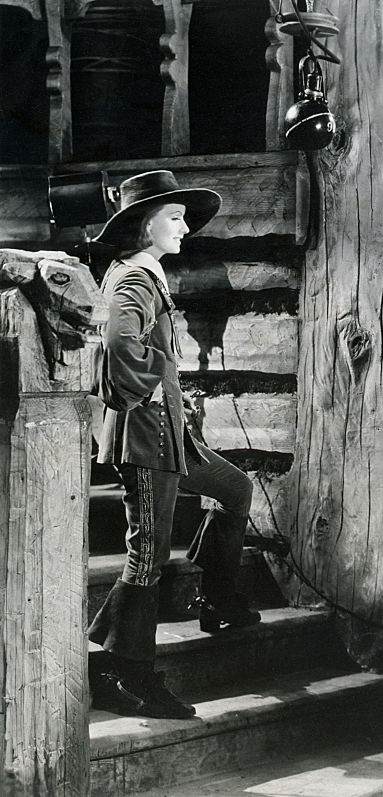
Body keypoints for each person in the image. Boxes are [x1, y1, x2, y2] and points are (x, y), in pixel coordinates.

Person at [88, 170, 261, 719]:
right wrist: (162, 371)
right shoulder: (134, 280)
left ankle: (217, 597)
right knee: (147, 555)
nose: (185, 227)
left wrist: (170, 390)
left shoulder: (147, 275)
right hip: (144, 436)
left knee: (234, 490)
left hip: (170, 434)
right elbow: (117, 350)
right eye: (175, 217)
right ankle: (126, 670)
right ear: (146, 224)